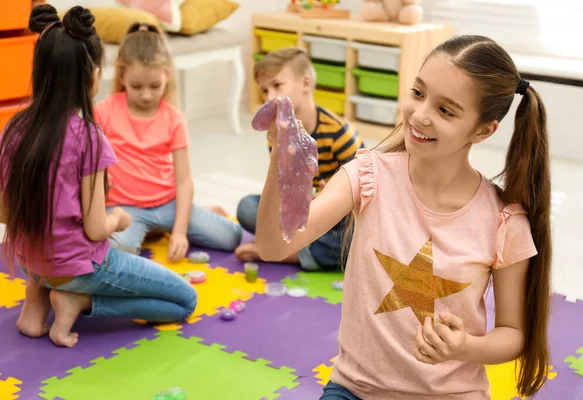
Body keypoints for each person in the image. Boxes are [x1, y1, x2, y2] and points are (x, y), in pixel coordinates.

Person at [255, 35, 552, 399]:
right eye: (417, 93)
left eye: (446, 110)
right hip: (356, 389)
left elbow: (513, 334)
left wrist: (464, 348)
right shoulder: (367, 175)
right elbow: (272, 247)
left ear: (483, 130)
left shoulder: (503, 220)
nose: (420, 114)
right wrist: (278, 160)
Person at [0, 5, 197, 348]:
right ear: (93, 76)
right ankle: (79, 301)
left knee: (51, 253)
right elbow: (94, 229)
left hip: (30, 261)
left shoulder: (13, 128)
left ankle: (35, 308)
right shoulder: (88, 137)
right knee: (185, 300)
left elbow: (4, 213)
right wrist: (118, 218)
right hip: (75, 268)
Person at [94, 23, 242, 261]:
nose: (146, 95)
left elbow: (184, 180)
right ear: (121, 76)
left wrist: (180, 233)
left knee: (231, 237)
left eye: (155, 86)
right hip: (125, 209)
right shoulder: (104, 111)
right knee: (117, 253)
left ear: (168, 75)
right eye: (136, 86)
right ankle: (152, 229)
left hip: (168, 205)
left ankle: (189, 217)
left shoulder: (174, 118)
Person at [235, 47, 365, 271]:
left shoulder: (341, 133)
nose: (269, 97)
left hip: (336, 214)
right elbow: (281, 187)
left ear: (305, 84)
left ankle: (294, 252)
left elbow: (364, 194)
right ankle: (306, 247)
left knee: (357, 235)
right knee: (247, 207)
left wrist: (329, 196)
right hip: (301, 210)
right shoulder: (277, 135)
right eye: (265, 91)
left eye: (277, 86)